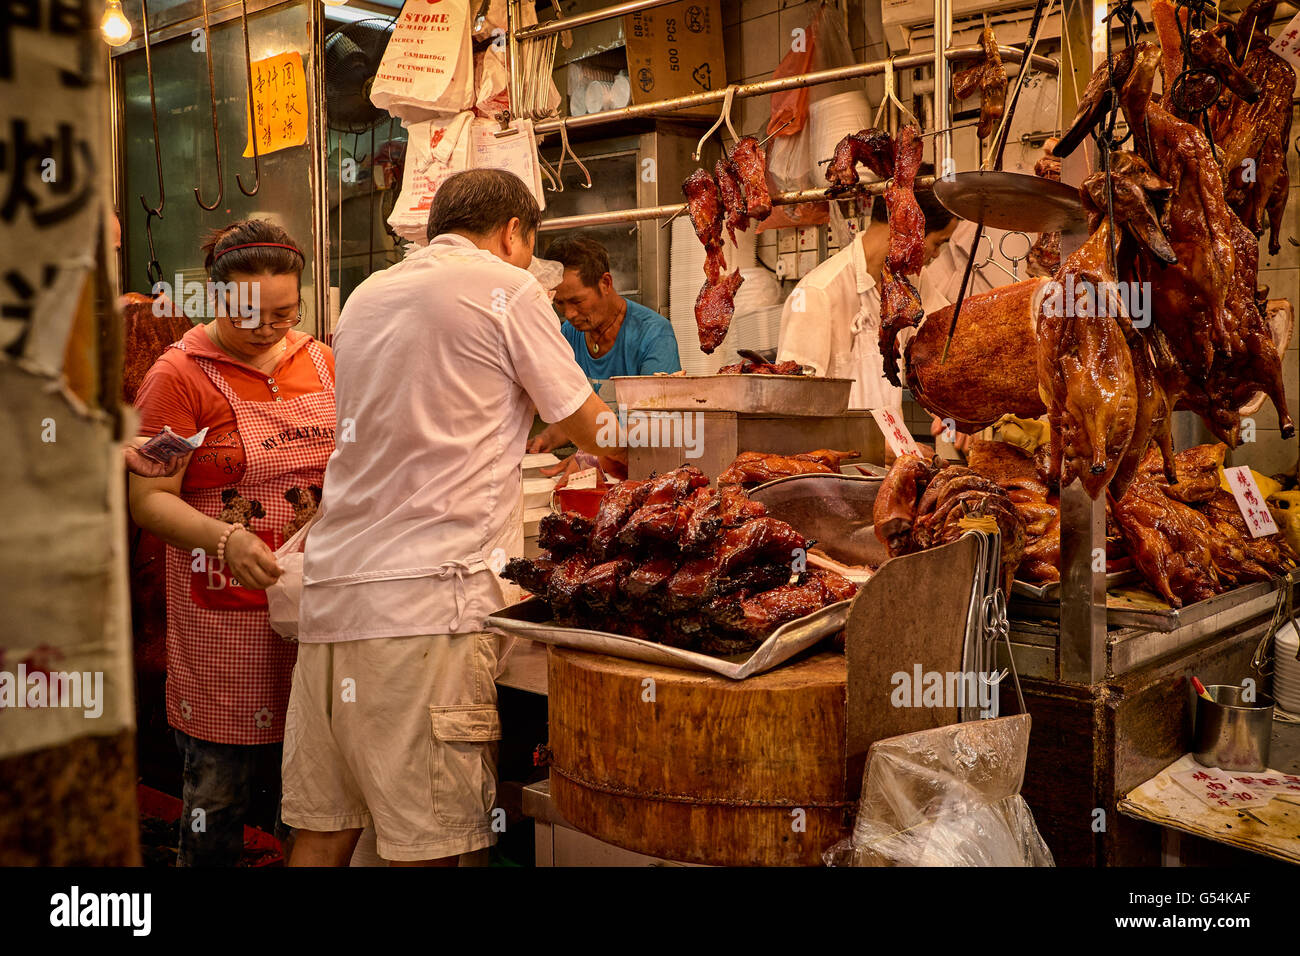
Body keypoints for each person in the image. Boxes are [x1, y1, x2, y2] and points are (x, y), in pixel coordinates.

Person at [282, 169, 625, 867]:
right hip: (426, 611)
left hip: (332, 605)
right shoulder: (507, 286)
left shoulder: (370, 294)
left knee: (325, 832)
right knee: (430, 844)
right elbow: (588, 427)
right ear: (513, 233)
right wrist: (662, 441)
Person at [128, 220, 335, 866]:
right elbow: (147, 500)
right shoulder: (178, 376)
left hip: (311, 619)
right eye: (254, 316)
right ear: (217, 300)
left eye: (287, 313)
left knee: (308, 805)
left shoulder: (323, 362)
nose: (273, 331)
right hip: (225, 630)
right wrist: (224, 540)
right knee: (216, 808)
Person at [776, 170, 967, 450]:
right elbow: (793, 417)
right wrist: (874, 449)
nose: (936, 256)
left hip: (889, 473)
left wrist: (953, 406)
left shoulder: (912, 281)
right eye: (937, 243)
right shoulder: (818, 294)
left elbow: (945, 342)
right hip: (834, 478)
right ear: (908, 226)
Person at [527, 236, 680, 454]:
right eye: (560, 303)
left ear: (605, 283)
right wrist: (547, 439)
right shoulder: (570, 333)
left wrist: (594, 458)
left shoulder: (654, 334)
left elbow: (656, 426)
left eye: (577, 301)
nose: (569, 314)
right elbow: (577, 414)